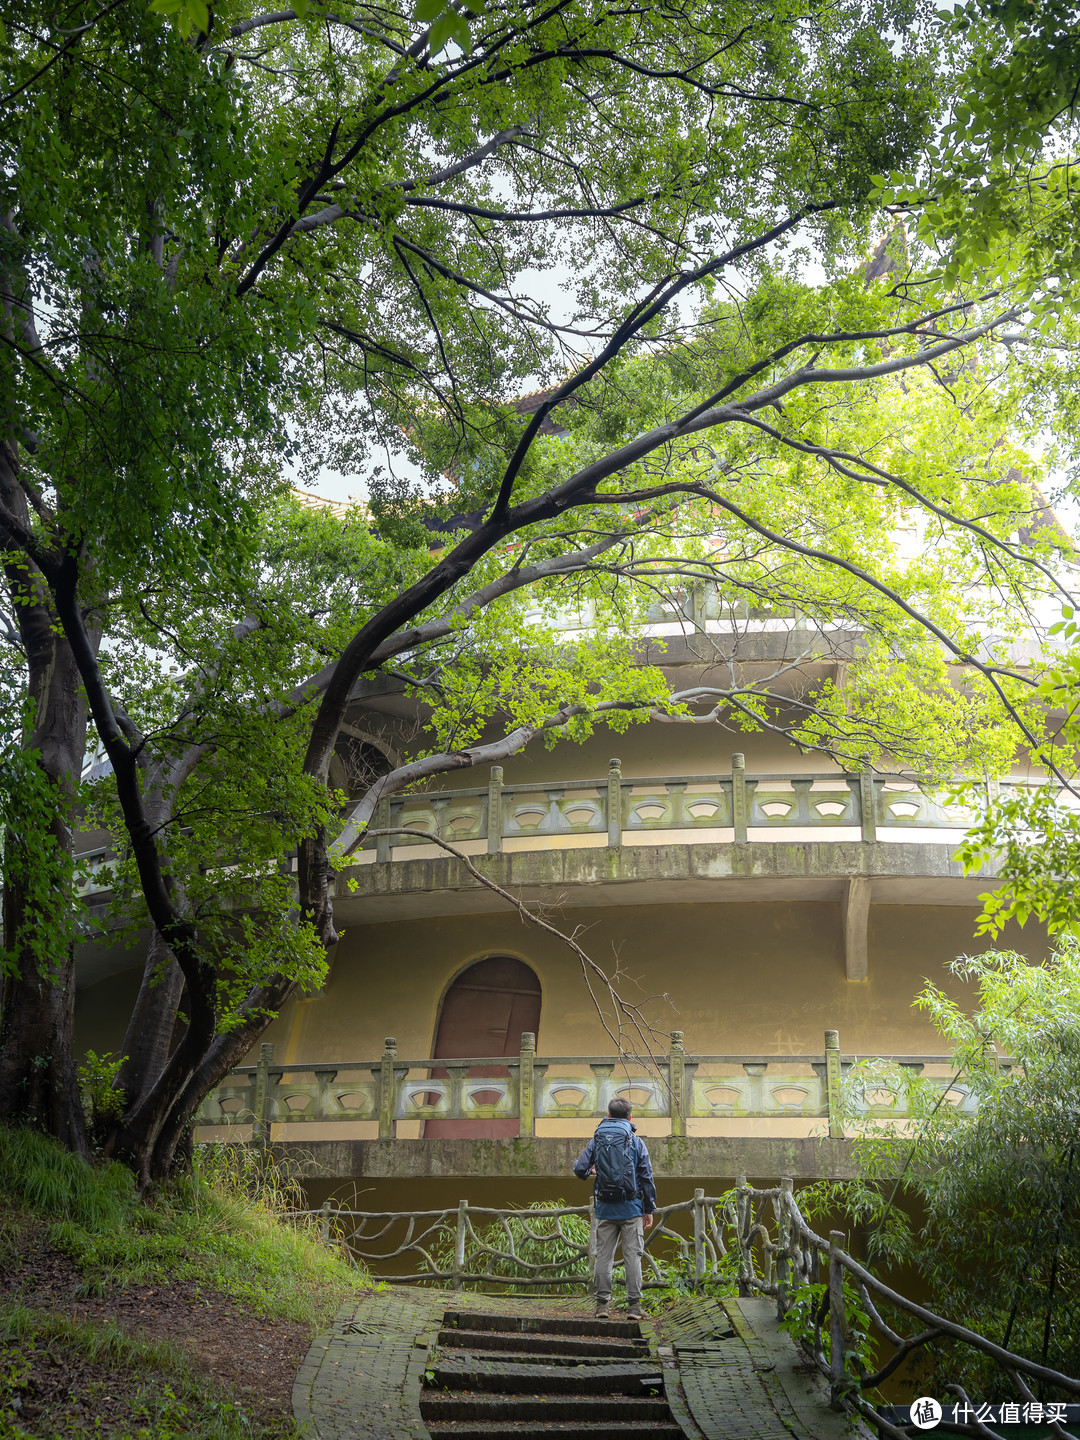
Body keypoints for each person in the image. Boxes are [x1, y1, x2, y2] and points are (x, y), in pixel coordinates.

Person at [573, 1097, 656, 1320]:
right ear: (630, 1117)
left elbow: (580, 1169)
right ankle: (634, 1308)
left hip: (605, 1209)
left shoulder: (597, 1138)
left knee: (603, 1257)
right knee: (633, 1258)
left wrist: (591, 1172)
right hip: (631, 1209)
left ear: (608, 1115)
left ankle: (602, 1306)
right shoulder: (636, 1141)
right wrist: (649, 1209)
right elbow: (646, 1178)